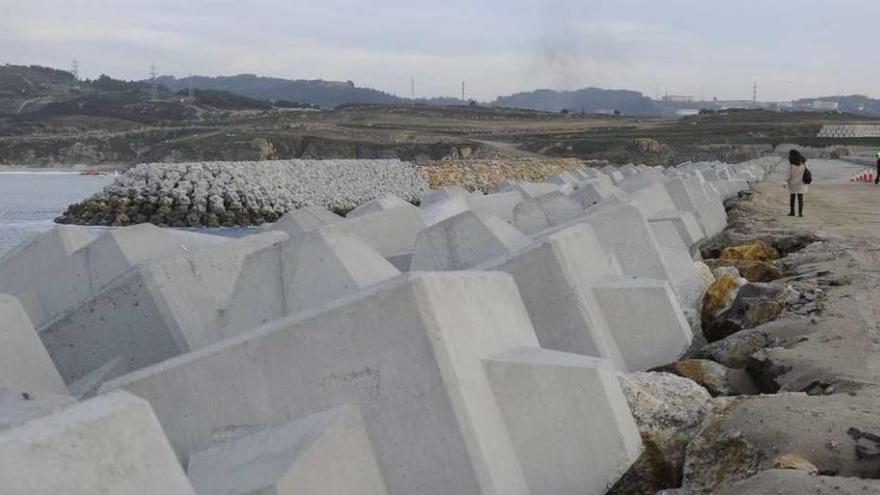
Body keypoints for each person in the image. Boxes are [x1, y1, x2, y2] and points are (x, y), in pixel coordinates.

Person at [785, 149, 808, 217]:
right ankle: (800, 213)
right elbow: (806, 171)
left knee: (792, 198)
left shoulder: (791, 163)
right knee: (800, 198)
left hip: (792, 183)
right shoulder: (804, 162)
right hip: (801, 182)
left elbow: (788, 174)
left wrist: (785, 181)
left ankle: (792, 212)